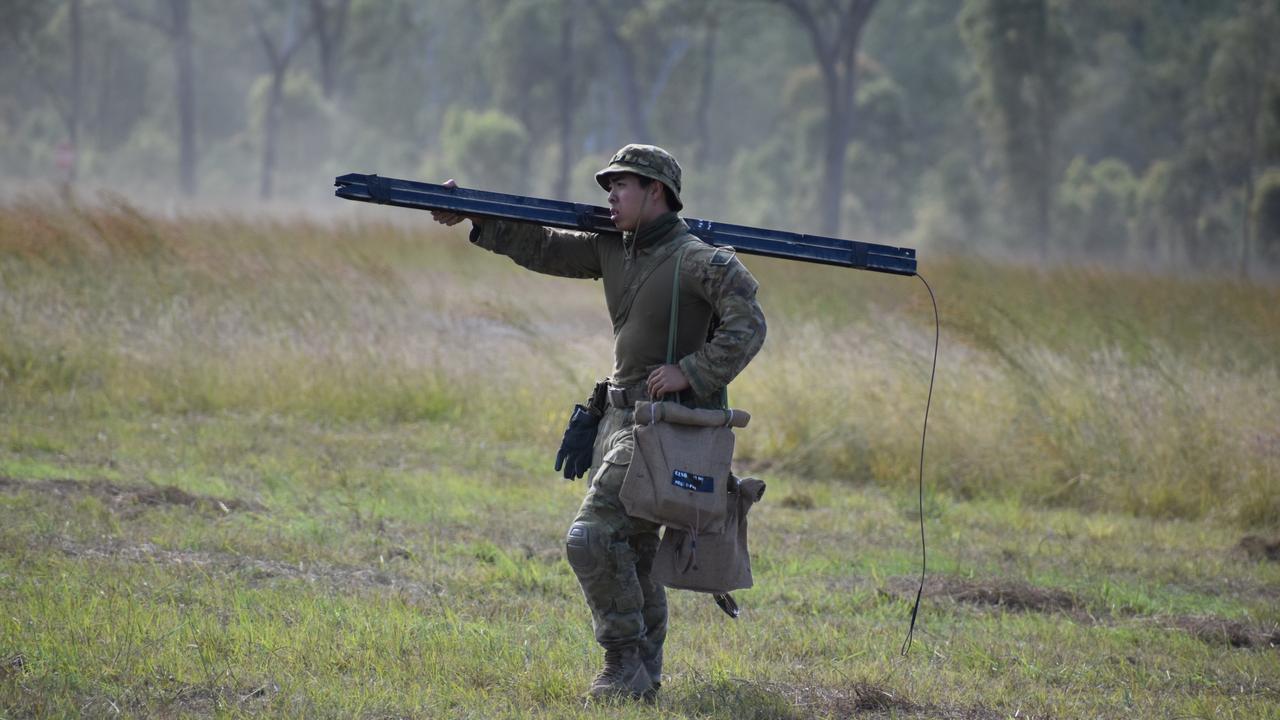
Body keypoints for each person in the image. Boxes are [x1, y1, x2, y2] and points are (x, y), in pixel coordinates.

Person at [430, 144, 766, 701]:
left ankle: (621, 662)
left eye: (621, 185)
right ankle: (643, 679)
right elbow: (541, 246)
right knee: (632, 550)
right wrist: (475, 213)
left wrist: (691, 372)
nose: (609, 195)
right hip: (619, 419)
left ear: (656, 191)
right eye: (608, 186)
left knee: (589, 539)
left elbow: (748, 323)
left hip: (663, 428)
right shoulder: (617, 249)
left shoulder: (699, 258)